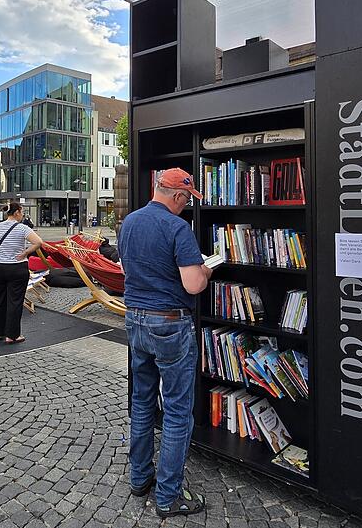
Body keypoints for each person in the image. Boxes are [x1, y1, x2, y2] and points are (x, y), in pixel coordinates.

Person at [118, 168, 212, 518]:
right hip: (170, 324)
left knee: (142, 401)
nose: (187, 206)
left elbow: (129, 272)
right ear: (178, 196)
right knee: (176, 410)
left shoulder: (129, 223)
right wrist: (206, 270)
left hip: (135, 319)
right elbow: (193, 285)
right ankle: (168, 496)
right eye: (187, 199)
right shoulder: (177, 229)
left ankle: (140, 477)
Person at [0, 203, 43, 344]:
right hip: (17, 268)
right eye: (22, 212)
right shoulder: (23, 228)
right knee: (15, 301)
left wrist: (2, 252)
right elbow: (38, 242)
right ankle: (12, 335)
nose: (22, 215)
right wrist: (25, 252)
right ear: (17, 212)